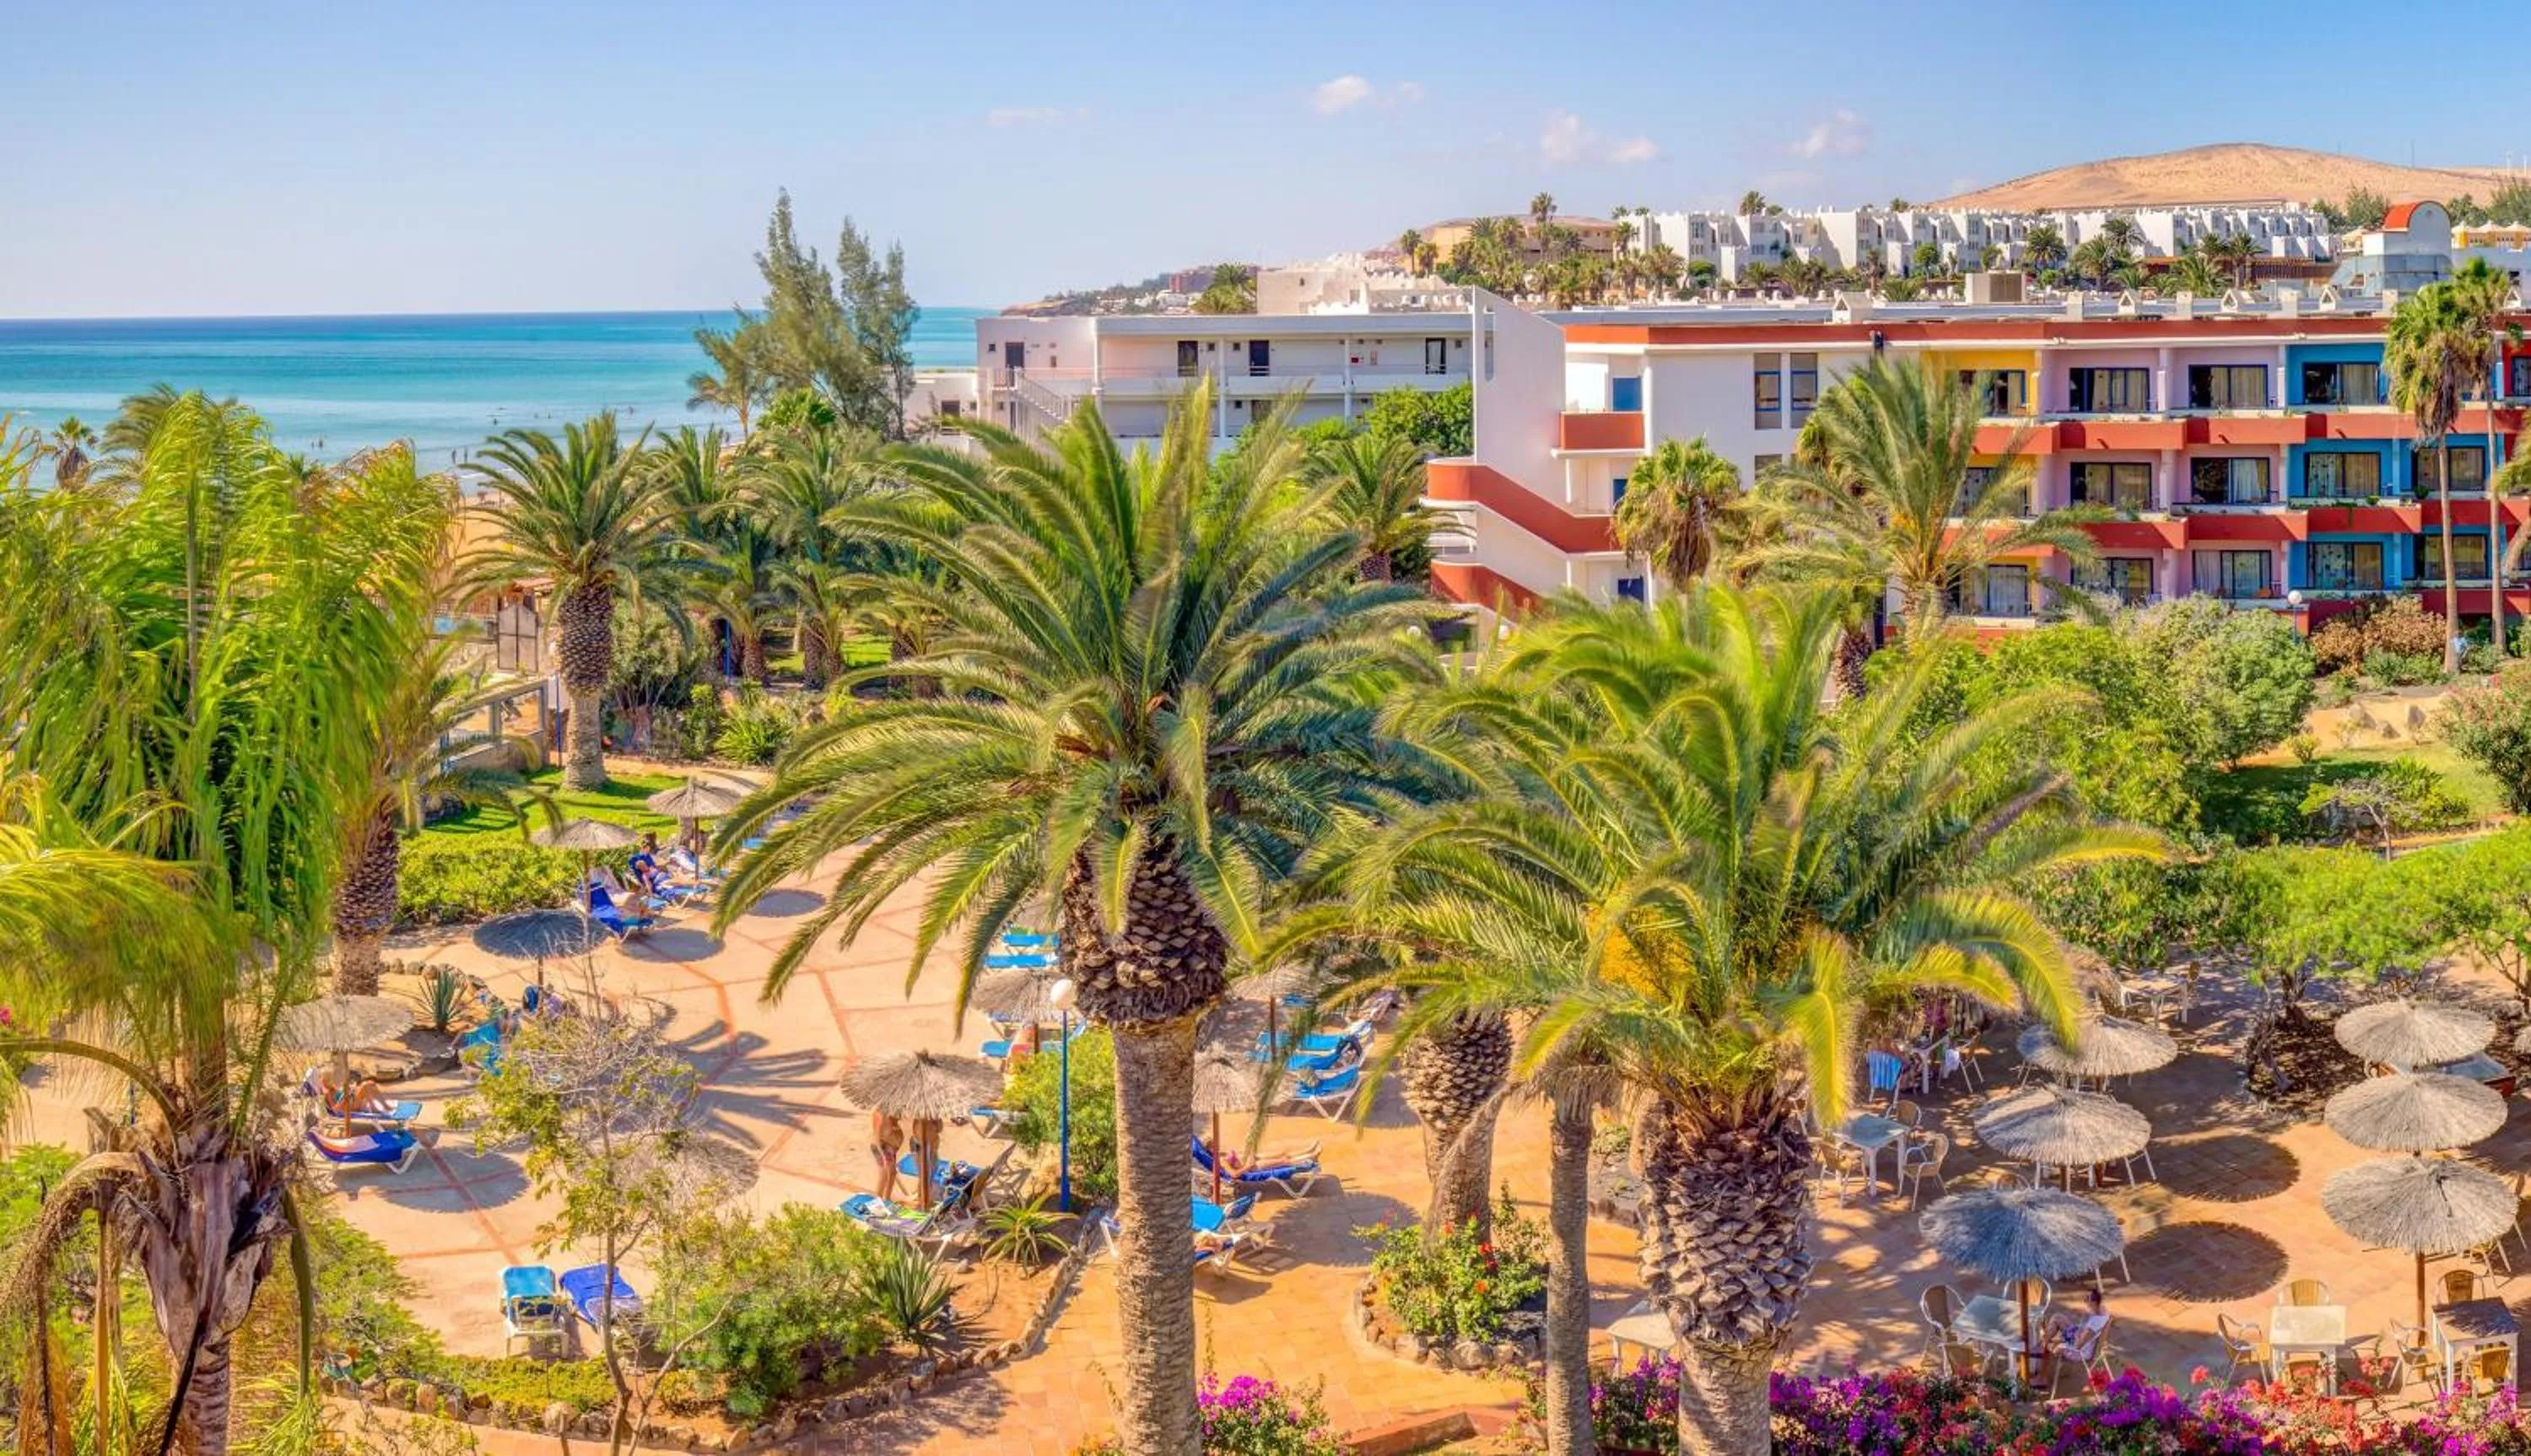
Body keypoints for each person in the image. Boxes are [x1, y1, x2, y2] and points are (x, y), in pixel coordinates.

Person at [872, 1110, 905, 1203]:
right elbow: (877, 1138)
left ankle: (887, 1198)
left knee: (892, 1173)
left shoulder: (890, 1115)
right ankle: (877, 1202)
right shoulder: (881, 1116)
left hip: (889, 1148)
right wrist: (883, 1156)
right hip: (881, 1148)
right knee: (884, 1176)